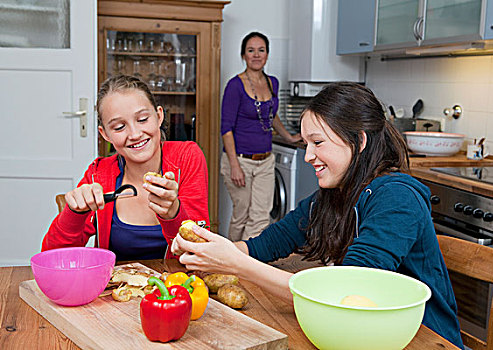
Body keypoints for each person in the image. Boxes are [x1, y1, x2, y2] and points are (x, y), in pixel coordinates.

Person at [173, 82, 464, 348]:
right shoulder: (335, 194)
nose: (308, 155)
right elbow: (269, 243)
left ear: (359, 141)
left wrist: (237, 265)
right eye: (307, 144)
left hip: (422, 339)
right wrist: (209, 252)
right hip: (362, 337)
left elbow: (342, 292)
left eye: (318, 142)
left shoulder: (397, 197)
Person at [42, 75, 210, 260]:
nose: (135, 134)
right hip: (117, 288)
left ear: (159, 116)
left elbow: (200, 255)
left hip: (175, 287)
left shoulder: (187, 157)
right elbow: (53, 258)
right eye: (120, 127)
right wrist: (74, 213)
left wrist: (173, 214)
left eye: (143, 119)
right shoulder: (98, 175)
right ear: (105, 134)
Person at [221, 31, 301, 241]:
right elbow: (226, 128)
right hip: (239, 161)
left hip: (265, 160)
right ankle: (230, 261)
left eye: (261, 50)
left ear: (267, 54)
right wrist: (234, 166)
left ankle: (248, 264)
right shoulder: (235, 86)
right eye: (251, 50)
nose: (256, 55)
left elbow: (271, 116)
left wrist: (289, 136)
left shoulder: (272, 83)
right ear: (243, 55)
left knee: (260, 217)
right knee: (241, 216)